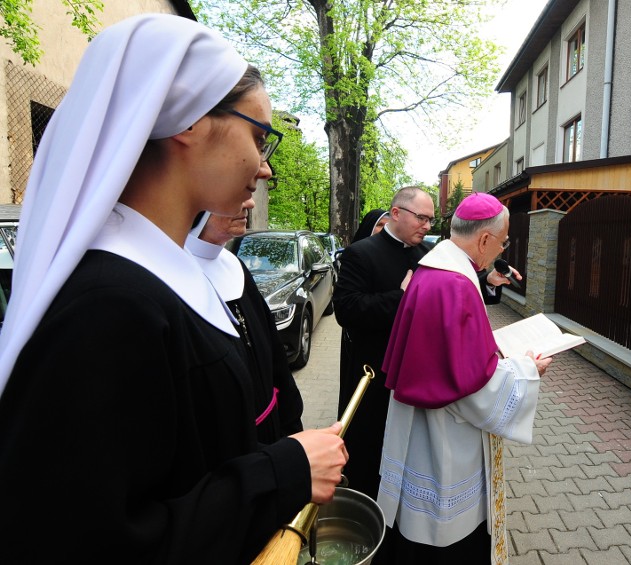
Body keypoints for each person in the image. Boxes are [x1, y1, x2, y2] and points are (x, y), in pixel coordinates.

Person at [0, 15, 346, 563]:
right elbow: (88, 541)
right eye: (259, 137)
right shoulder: (107, 309)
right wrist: (283, 473)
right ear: (188, 122)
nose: (265, 168)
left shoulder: (164, 282)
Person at [376, 192, 552, 564]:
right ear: (485, 239)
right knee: (444, 533)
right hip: (444, 431)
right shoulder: (454, 285)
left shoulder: (435, 268)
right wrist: (525, 371)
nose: (502, 247)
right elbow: (471, 387)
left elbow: (455, 357)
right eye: (502, 240)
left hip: (420, 418)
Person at [333, 188, 517, 500]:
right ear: (396, 214)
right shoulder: (361, 254)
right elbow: (346, 310)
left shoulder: (424, 255)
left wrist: (486, 282)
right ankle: (365, 507)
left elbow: (448, 299)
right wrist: (401, 297)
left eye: (430, 219)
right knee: (370, 446)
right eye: (421, 218)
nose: (427, 226)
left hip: (414, 368)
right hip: (374, 369)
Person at [187, 198, 304, 441]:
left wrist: (291, 421)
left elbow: (274, 357)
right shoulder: (175, 276)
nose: (249, 204)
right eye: (234, 195)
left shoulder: (235, 266)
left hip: (272, 426)